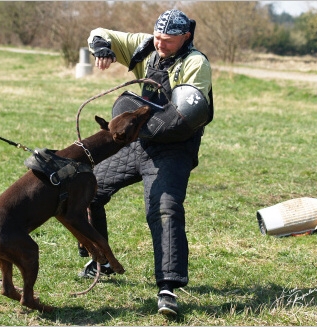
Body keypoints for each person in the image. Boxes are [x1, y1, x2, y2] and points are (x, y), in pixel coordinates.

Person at [77, 9, 214, 315]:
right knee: (90, 188)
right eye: (158, 38)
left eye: (168, 41)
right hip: (140, 142)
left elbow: (183, 118)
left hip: (174, 147)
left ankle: (167, 288)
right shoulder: (145, 46)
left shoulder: (195, 64)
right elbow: (100, 32)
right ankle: (102, 259)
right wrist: (102, 49)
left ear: (186, 37)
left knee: (164, 209)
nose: (160, 45)